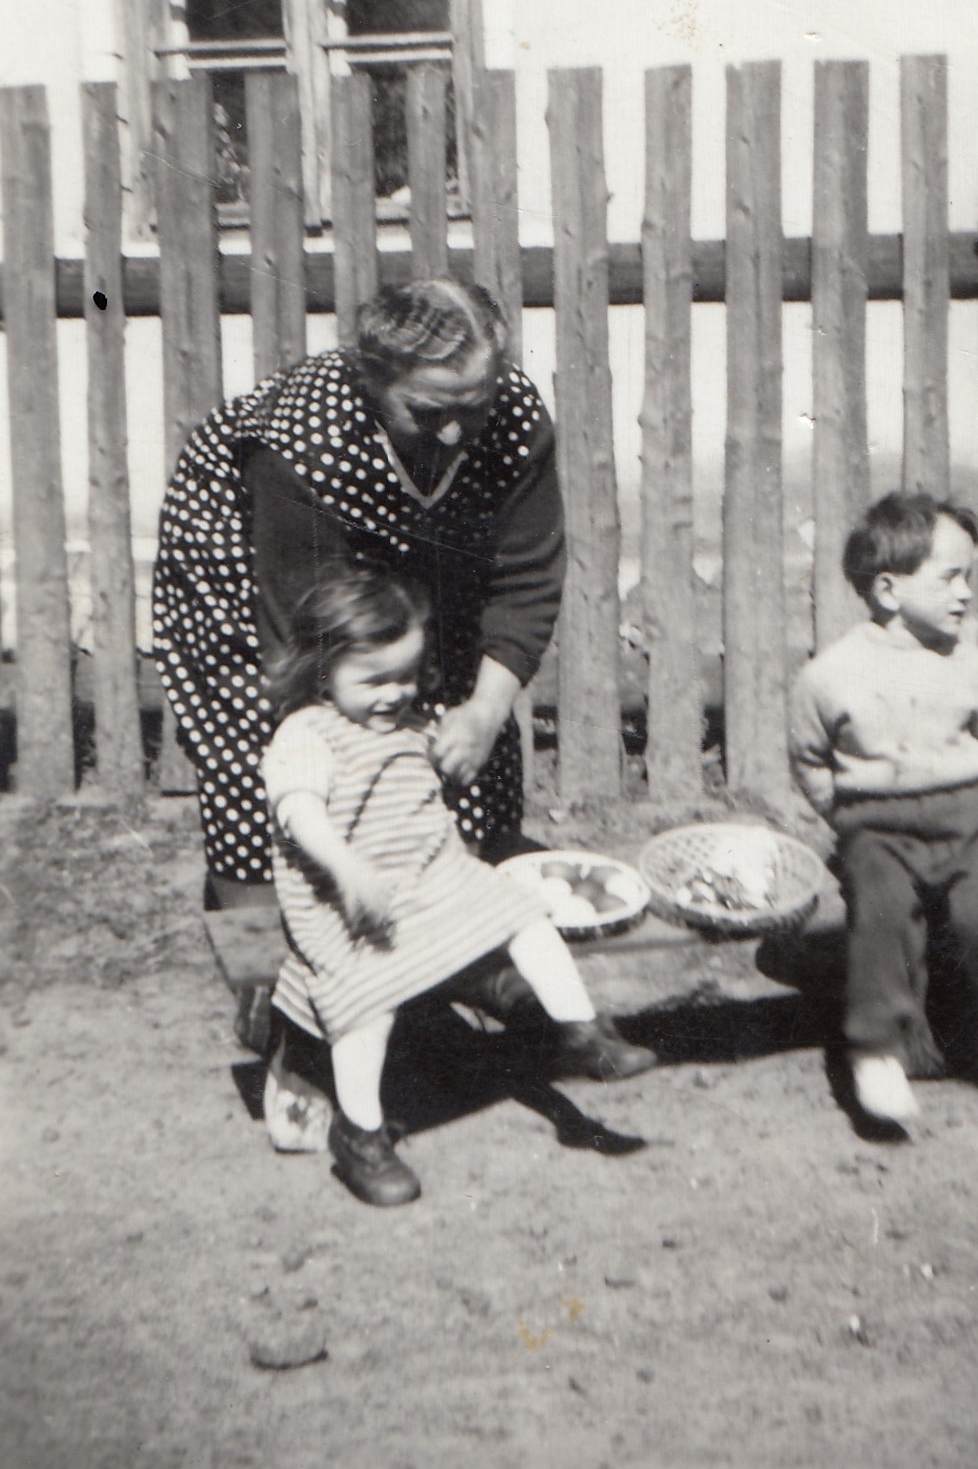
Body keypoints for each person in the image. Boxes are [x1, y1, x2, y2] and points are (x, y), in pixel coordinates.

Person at [153, 274, 563, 915]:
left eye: (473, 406)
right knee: (267, 739)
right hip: (255, 565)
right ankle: (265, 932)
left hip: (419, 547)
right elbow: (308, 633)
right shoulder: (304, 440)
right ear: (373, 382)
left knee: (456, 714)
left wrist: (483, 712)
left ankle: (451, 912)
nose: (454, 433)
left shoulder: (512, 416)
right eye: (426, 412)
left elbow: (526, 577)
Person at [262, 567, 656, 1207]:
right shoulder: (307, 733)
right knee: (364, 1002)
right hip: (349, 901)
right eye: (374, 681)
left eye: (406, 676)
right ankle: (361, 1134)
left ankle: (580, 1033)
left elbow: (426, 787)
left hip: (433, 880)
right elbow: (298, 811)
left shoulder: (412, 724)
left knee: (522, 911)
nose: (395, 694)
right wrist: (348, 868)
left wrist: (449, 752)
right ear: (322, 671)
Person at [788, 492, 978, 1137]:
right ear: (888, 590)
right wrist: (847, 817)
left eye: (969, 577)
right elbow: (810, 758)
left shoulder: (973, 668)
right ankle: (877, 1053)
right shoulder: (830, 674)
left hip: (968, 818)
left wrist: (958, 789)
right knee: (880, 923)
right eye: (949, 577)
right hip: (876, 825)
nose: (965, 593)